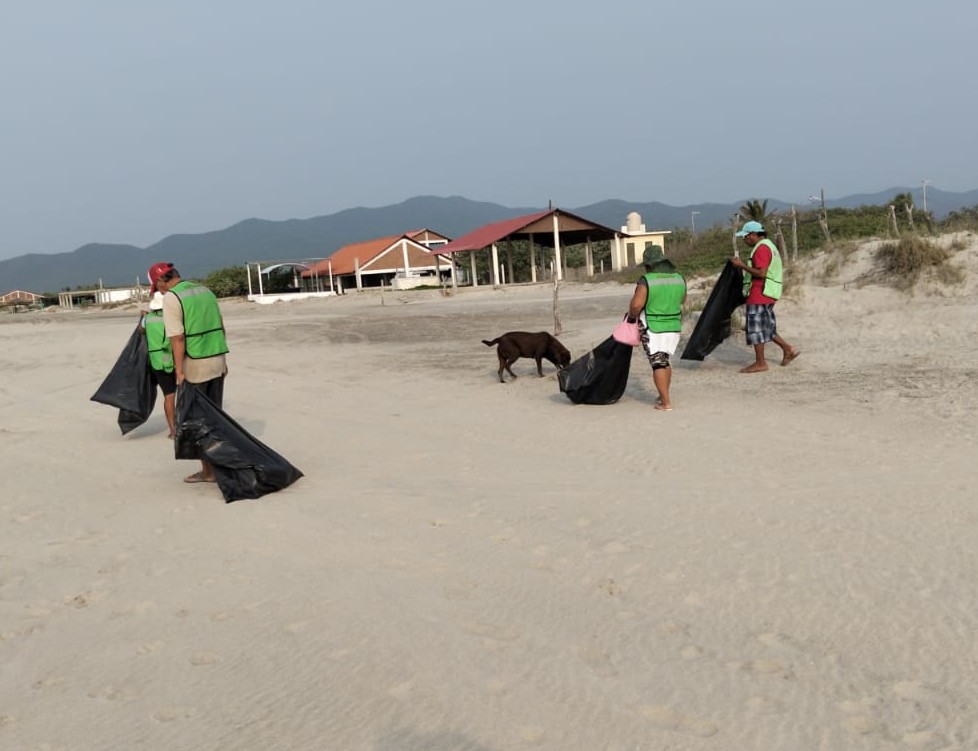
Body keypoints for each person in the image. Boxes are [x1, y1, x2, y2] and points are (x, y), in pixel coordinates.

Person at [148, 262, 229, 484]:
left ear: (162, 280)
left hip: (196, 364)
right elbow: (221, 325)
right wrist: (225, 361)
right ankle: (220, 464)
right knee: (215, 417)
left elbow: (177, 338)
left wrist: (179, 371)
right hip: (217, 359)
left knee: (197, 421)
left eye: (158, 287)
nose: (160, 291)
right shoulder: (205, 290)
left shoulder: (173, 298)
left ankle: (210, 472)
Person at [731, 221, 800, 373]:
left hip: (760, 292)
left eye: (746, 236)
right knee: (766, 326)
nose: (745, 240)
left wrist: (741, 265)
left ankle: (760, 363)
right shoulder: (770, 246)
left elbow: (761, 273)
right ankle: (788, 349)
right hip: (769, 292)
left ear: (754, 235)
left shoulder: (761, 249)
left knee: (755, 328)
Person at [627, 246, 686, 411]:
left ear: (648, 265)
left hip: (653, 326)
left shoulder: (646, 280)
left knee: (657, 363)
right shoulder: (679, 278)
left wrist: (632, 317)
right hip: (673, 325)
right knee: (665, 360)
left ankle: (666, 402)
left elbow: (637, 304)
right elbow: (683, 299)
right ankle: (663, 394)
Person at [142, 291, 177, 438]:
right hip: (172, 358)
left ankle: (173, 430)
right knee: (175, 395)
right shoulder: (172, 317)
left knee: (168, 395)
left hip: (155, 360)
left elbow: (141, 331)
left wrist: (143, 317)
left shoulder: (147, 319)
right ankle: (178, 428)